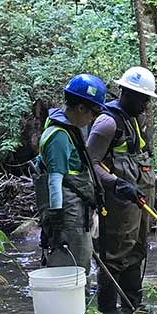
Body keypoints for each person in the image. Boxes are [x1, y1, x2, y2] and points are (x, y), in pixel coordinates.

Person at [87, 66, 157, 314]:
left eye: (148, 98)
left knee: (137, 252)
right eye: (142, 97)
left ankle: (132, 310)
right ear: (125, 92)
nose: (145, 104)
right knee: (113, 260)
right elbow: (90, 164)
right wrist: (116, 183)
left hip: (137, 204)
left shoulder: (134, 120)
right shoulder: (107, 123)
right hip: (115, 206)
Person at [36, 74, 106, 274]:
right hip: (67, 214)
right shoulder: (59, 136)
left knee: (81, 263)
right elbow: (54, 181)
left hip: (77, 209)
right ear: (81, 108)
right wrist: (57, 224)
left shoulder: (69, 127)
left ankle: (79, 304)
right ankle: (73, 305)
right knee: (73, 268)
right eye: (93, 112)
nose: (93, 118)